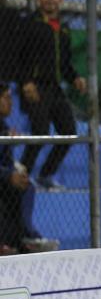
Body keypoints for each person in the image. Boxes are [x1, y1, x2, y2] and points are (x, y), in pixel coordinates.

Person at [18, 0, 86, 190]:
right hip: (35, 86)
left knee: (68, 132)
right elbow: (17, 56)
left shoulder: (63, 29)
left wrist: (75, 78)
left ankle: (45, 175)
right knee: (40, 131)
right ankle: (21, 174)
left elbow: (64, 63)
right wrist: (26, 82)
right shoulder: (30, 23)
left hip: (55, 88)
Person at [0, 82, 56, 254]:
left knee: (26, 186)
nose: (11, 102)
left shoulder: (4, 127)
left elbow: (6, 163)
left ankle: (26, 237)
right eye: (6, 98)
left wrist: (15, 173)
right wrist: (9, 176)